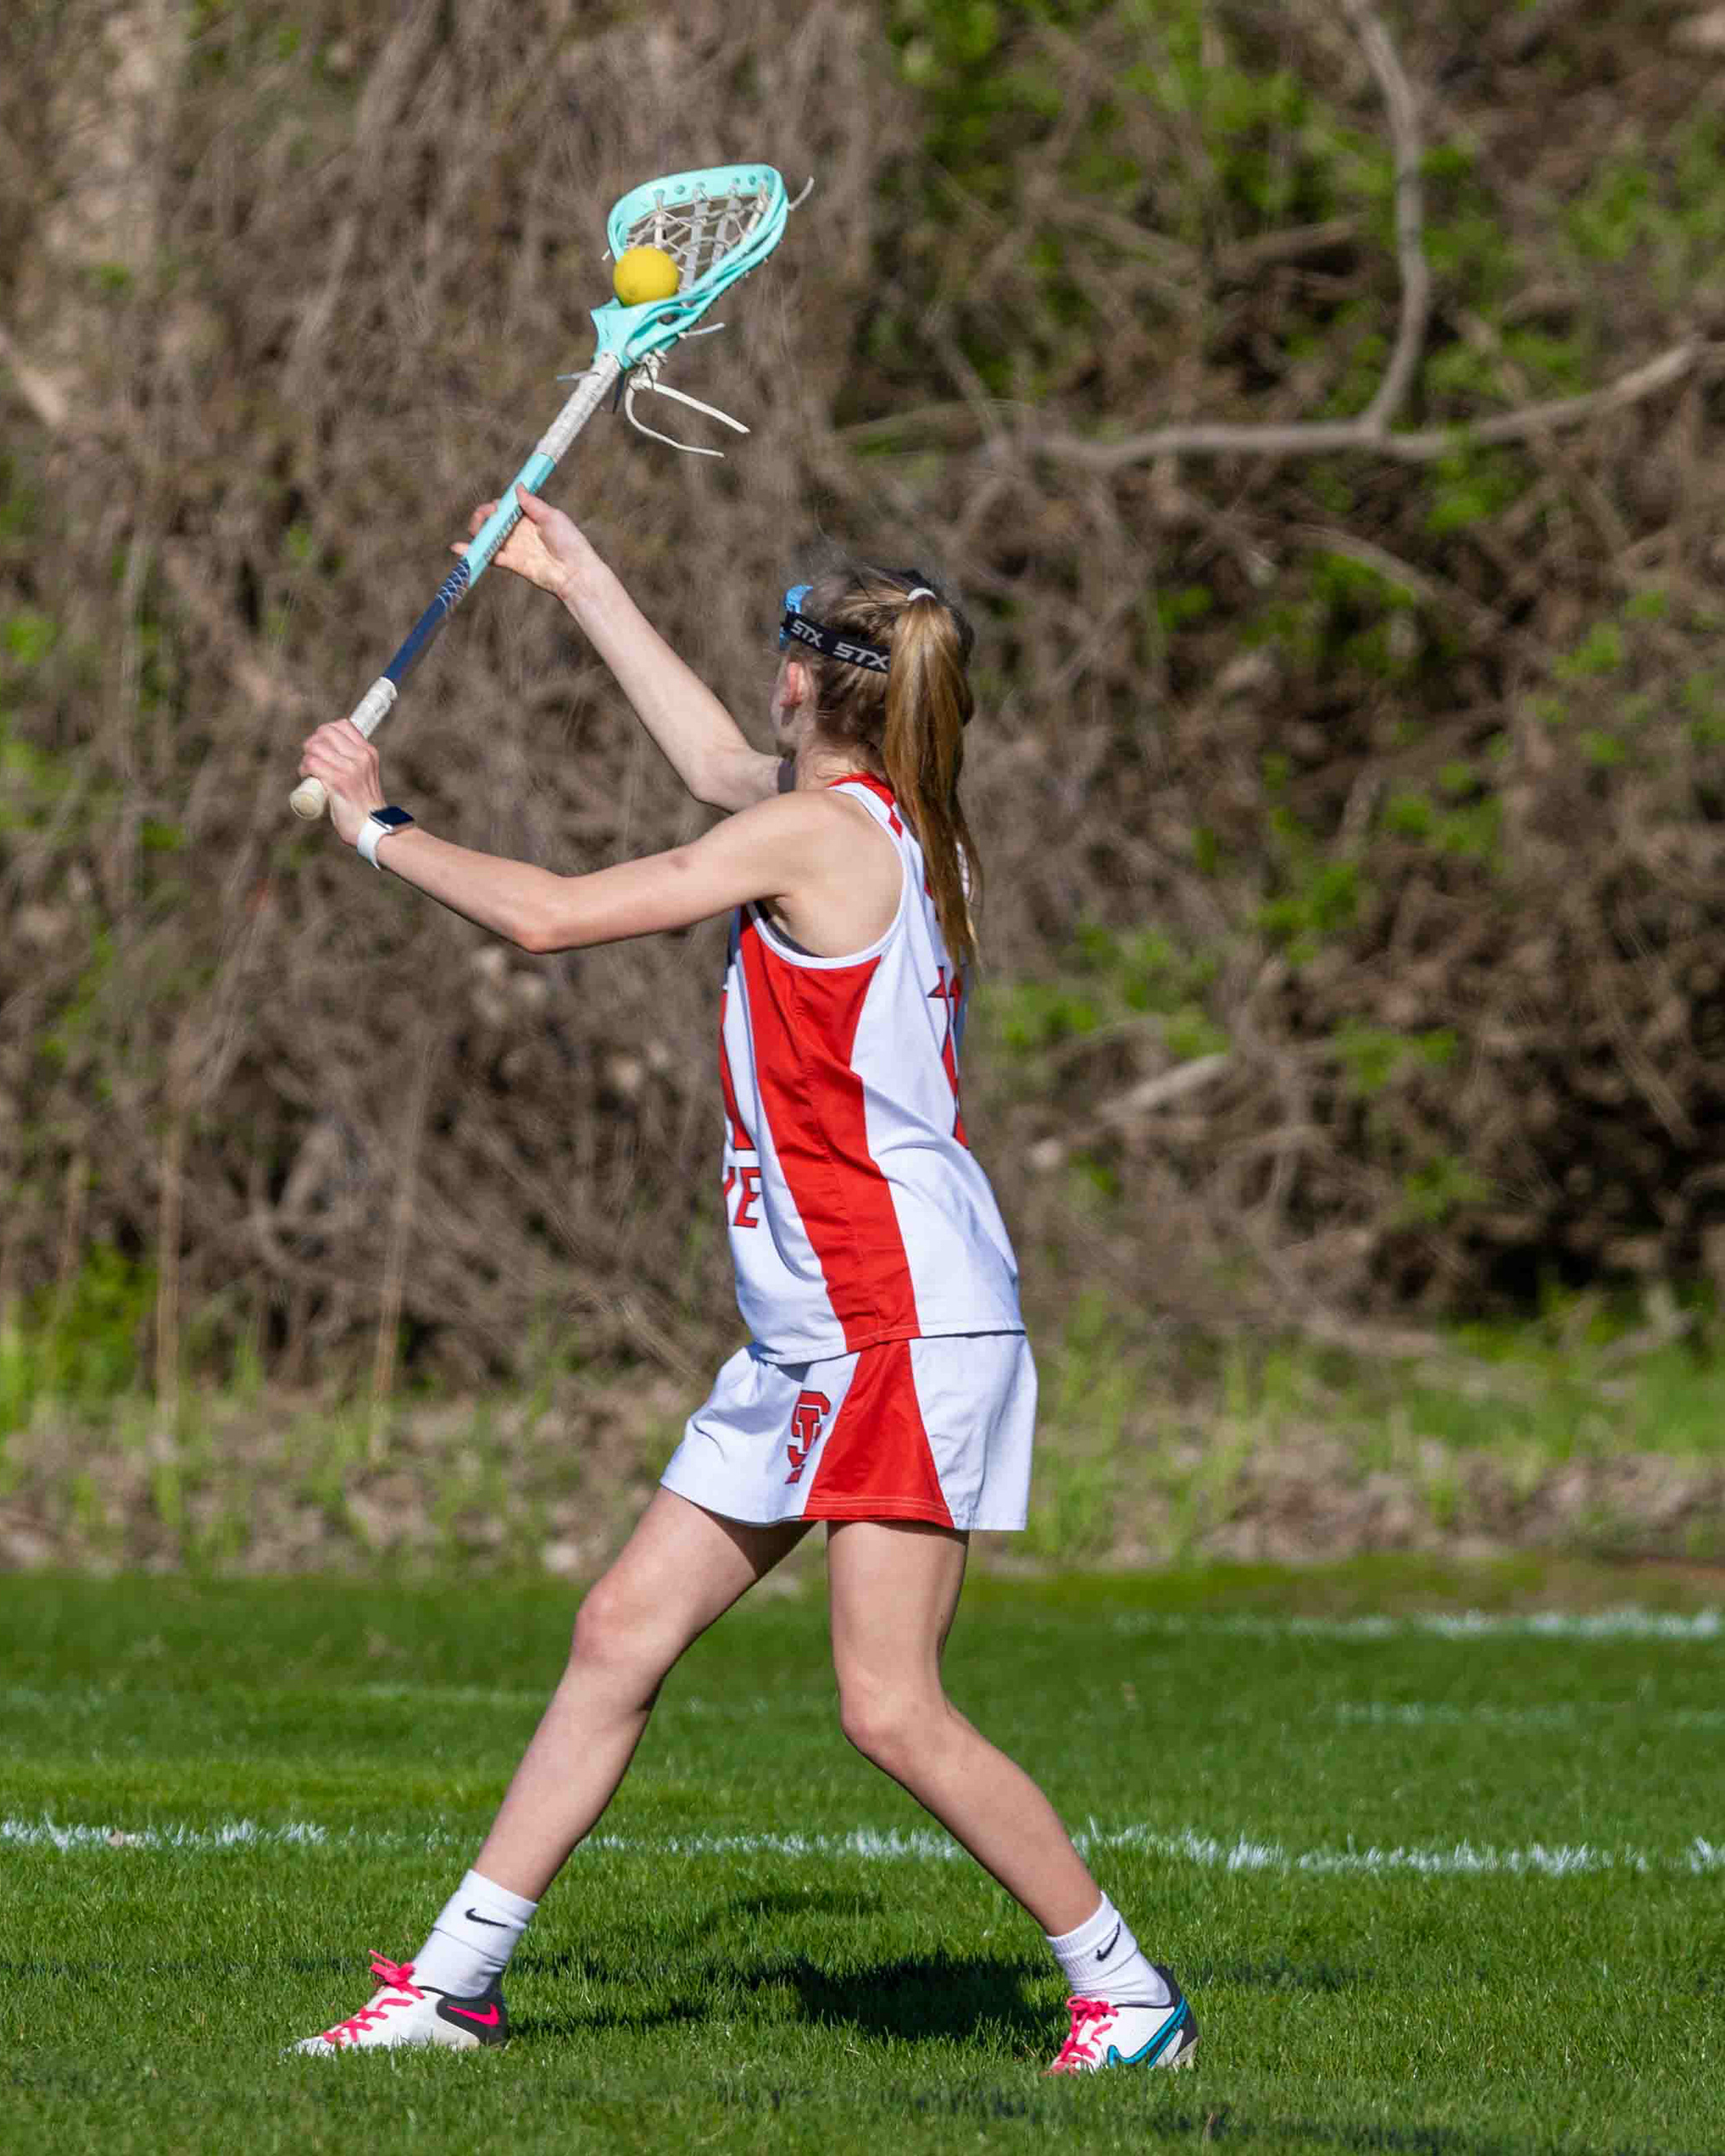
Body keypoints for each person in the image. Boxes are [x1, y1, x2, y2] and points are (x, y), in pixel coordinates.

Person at [285, 493, 1195, 2075]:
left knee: (888, 1707)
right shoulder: (865, 812)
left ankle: (1126, 1995)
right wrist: (579, 578)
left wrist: (378, 826)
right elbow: (714, 764)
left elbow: (553, 917)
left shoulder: (815, 838)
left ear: (801, 680)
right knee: (620, 1631)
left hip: (895, 1320)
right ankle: (450, 1987)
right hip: (811, 1332)